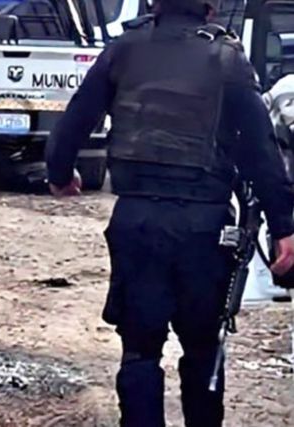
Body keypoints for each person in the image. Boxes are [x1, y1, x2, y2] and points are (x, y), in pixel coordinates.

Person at [45, 0, 294, 425]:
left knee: (140, 350)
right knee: (203, 349)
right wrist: (284, 227)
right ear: (209, 7)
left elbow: (73, 123)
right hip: (204, 227)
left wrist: (60, 175)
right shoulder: (226, 58)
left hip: (138, 220)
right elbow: (261, 151)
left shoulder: (124, 49)